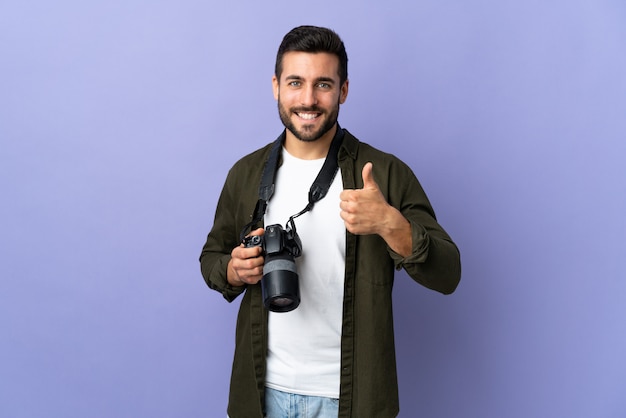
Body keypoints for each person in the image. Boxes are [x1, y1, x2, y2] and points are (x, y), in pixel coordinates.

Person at [200, 25, 461, 418]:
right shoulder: (247, 174)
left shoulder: (385, 174)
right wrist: (234, 270)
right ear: (276, 87)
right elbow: (211, 259)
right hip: (261, 393)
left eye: (323, 84)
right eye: (295, 82)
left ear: (343, 90)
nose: (308, 99)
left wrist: (390, 224)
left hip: (354, 399)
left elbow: (448, 273)